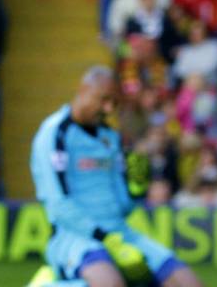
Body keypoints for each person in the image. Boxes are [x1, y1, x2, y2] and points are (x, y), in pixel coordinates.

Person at [30, 65, 203, 287]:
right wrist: (104, 237)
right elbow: (57, 204)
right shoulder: (55, 133)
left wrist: (137, 188)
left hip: (119, 233)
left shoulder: (110, 138)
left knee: (187, 283)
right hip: (73, 236)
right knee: (110, 284)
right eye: (103, 100)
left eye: (114, 103)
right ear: (83, 89)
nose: (108, 108)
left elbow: (122, 206)